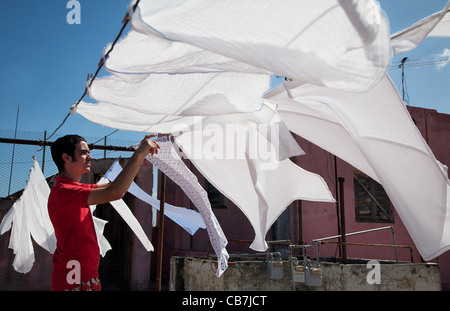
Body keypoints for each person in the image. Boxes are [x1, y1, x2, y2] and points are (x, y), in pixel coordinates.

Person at [48, 134, 159, 291]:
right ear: (66, 157)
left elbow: (116, 187)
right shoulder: (63, 191)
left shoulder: (76, 188)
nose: (90, 157)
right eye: (83, 153)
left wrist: (141, 156)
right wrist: (139, 153)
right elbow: (115, 192)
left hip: (86, 276)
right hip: (72, 279)